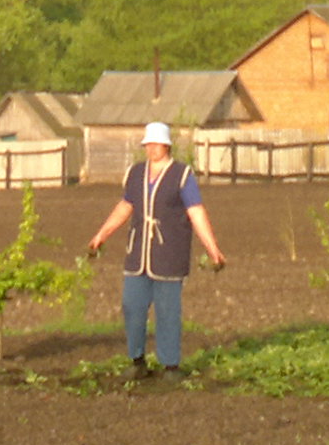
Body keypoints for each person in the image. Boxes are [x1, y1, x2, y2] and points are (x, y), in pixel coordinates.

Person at [85, 119, 226, 374]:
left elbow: (196, 212)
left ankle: (170, 365)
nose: (151, 148)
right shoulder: (135, 173)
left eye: (156, 143)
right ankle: (137, 361)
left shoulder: (182, 175)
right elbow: (125, 206)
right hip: (137, 253)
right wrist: (101, 235)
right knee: (132, 306)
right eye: (148, 144)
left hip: (169, 254)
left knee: (167, 312)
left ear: (166, 145)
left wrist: (212, 248)